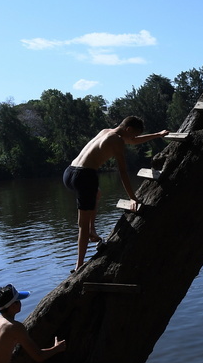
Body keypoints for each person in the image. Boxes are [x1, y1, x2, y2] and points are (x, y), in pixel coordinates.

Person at [63, 116, 169, 272]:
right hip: (85, 176)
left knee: (96, 194)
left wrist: (158, 134)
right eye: (134, 134)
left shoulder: (106, 132)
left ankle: (93, 230)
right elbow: (124, 173)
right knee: (82, 225)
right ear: (128, 129)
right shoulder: (117, 141)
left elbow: (133, 141)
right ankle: (79, 265)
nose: (134, 139)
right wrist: (133, 197)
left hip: (69, 172)